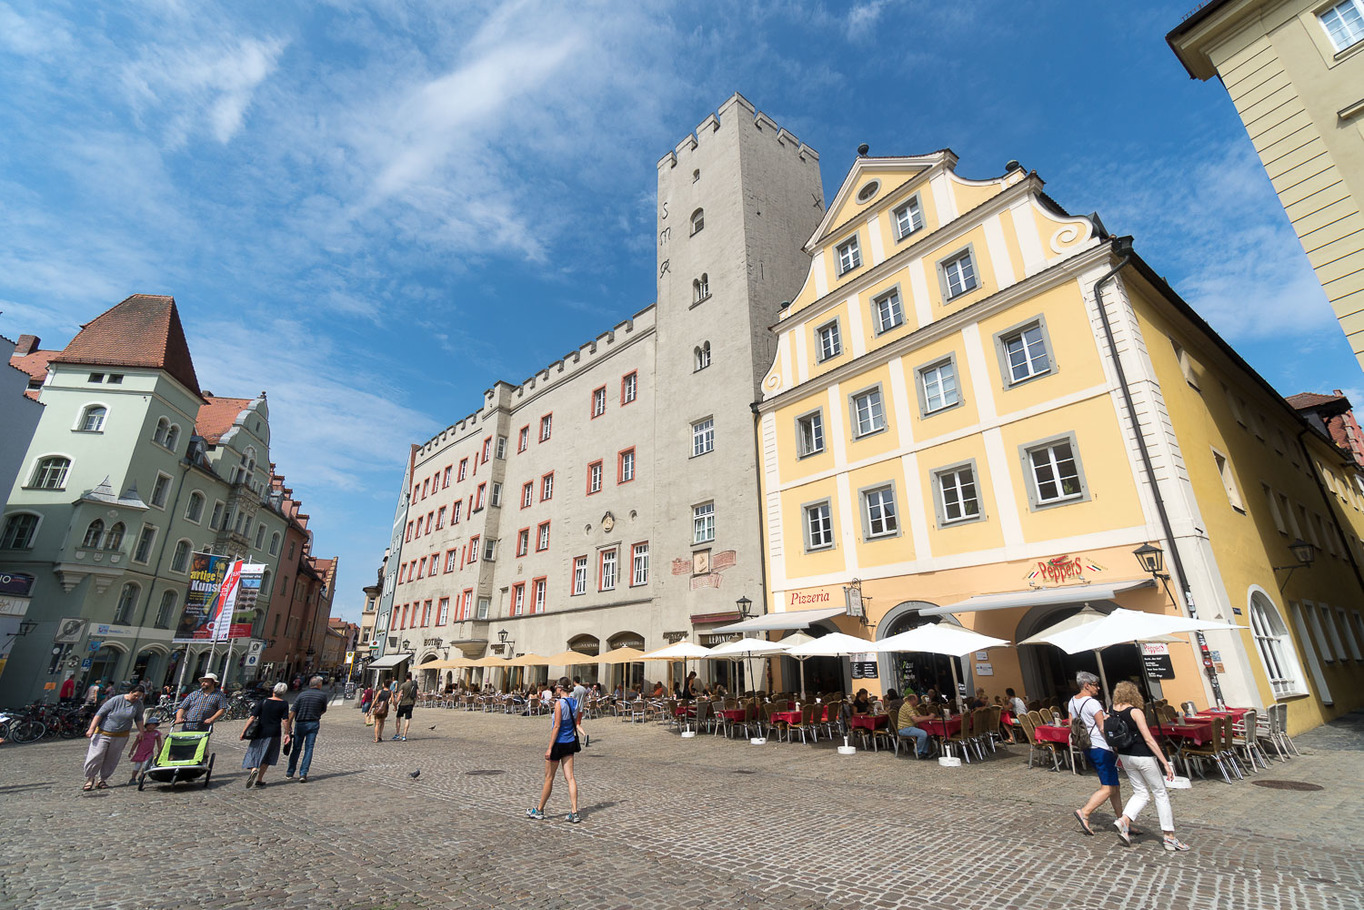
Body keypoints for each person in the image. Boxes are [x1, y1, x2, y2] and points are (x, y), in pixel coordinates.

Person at [1109, 681, 1190, 852]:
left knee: (1140, 792)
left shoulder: (1112, 710)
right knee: (1160, 792)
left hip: (1125, 756)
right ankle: (1169, 836)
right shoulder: (1135, 712)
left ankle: (1124, 820)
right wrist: (1164, 762)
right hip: (1143, 755)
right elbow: (1148, 739)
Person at [1069, 671, 1124, 836]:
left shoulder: (1072, 701)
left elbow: (1071, 724)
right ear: (1087, 685)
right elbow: (1102, 728)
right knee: (1107, 788)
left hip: (1087, 746)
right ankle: (1085, 812)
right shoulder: (1093, 703)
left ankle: (1122, 821)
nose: (1098, 688)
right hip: (1100, 747)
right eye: (1095, 685)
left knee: (1115, 786)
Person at [526, 678, 584, 823]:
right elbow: (575, 722)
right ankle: (574, 811)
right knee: (570, 777)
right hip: (570, 741)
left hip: (558, 743)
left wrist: (550, 747)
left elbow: (556, 726)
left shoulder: (560, 704)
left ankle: (539, 809)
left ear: (559, 688)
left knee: (549, 778)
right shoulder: (575, 702)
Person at [83, 684, 146, 790]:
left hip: (121, 735)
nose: (136, 698)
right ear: (130, 692)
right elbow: (100, 714)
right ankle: (90, 778)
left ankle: (102, 780)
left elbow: (139, 718)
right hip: (103, 733)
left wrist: (141, 731)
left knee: (112, 758)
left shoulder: (138, 704)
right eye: (135, 695)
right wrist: (91, 729)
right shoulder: (116, 700)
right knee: (96, 756)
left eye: (139, 696)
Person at [243, 682, 292, 789]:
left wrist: (244, 731)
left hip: (260, 731)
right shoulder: (284, 704)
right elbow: (285, 720)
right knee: (268, 755)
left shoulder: (264, 701)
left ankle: (253, 769)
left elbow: (252, 717)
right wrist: (287, 733)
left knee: (254, 751)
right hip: (274, 733)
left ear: (273, 690)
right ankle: (259, 779)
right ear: (283, 693)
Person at [286, 676, 329, 782]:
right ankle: (303, 773)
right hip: (313, 723)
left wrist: (288, 727)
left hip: (300, 723)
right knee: (309, 748)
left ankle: (290, 772)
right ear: (318, 685)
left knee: (296, 748)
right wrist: (316, 714)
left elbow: (293, 711)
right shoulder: (322, 695)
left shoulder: (302, 695)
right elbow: (323, 710)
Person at [127, 714, 164, 785]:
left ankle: (142, 776)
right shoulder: (142, 734)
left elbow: (158, 741)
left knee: (146, 765)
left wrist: (159, 748)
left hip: (149, 752)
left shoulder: (156, 734)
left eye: (153, 725)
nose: (150, 727)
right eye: (149, 725)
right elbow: (136, 742)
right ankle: (133, 778)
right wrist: (132, 750)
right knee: (137, 766)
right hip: (140, 752)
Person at [896, 694, 934, 760]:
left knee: (928, 732)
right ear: (912, 700)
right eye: (916, 701)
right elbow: (916, 719)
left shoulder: (912, 707)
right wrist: (929, 717)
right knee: (923, 734)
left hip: (910, 727)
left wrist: (927, 717)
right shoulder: (907, 707)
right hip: (904, 728)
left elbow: (919, 716)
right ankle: (917, 752)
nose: (917, 702)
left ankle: (924, 751)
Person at [393, 673, 418, 741]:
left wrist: (395, 704)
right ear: (411, 677)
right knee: (407, 719)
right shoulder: (414, 684)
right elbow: (416, 695)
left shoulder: (403, 685)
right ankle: (404, 735)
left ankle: (397, 734)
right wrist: (413, 703)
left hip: (403, 704)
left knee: (398, 718)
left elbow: (399, 696)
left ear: (405, 677)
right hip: (410, 704)